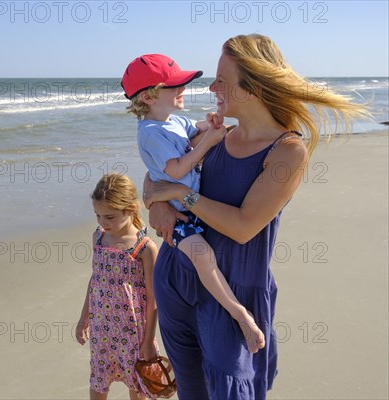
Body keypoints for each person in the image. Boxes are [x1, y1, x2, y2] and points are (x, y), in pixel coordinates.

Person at [142, 34, 370, 399]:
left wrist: (181, 195)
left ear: (253, 88)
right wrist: (157, 204)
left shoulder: (287, 152)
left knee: (234, 390)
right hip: (176, 279)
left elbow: (244, 226)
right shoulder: (216, 134)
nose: (212, 87)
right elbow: (157, 173)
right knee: (191, 390)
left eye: (222, 81)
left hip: (234, 294)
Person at [122, 53, 265, 353]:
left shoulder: (171, 120)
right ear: (148, 96)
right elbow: (175, 170)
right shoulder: (150, 133)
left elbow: (193, 129)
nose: (182, 89)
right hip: (181, 212)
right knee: (203, 257)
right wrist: (209, 143)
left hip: (190, 203)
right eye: (174, 86)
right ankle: (239, 313)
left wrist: (208, 125)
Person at [76, 173, 160, 400]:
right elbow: (95, 279)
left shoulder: (145, 247)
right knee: (99, 380)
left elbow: (154, 298)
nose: (103, 223)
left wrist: (149, 340)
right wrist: (84, 318)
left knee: (137, 383)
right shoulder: (99, 238)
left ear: (131, 208)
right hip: (102, 327)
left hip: (133, 331)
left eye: (109, 217)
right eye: (98, 216)